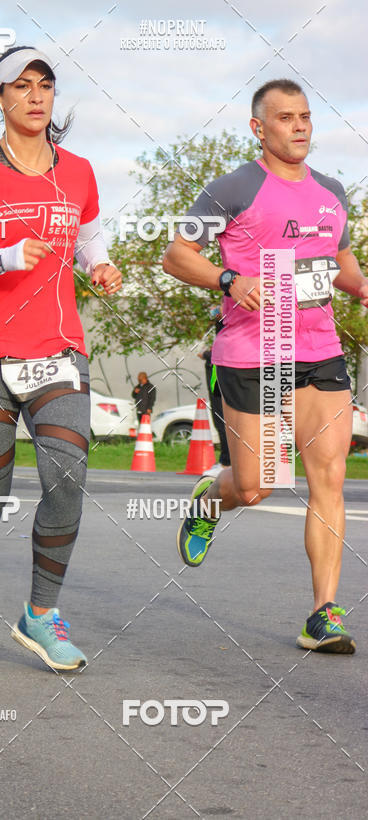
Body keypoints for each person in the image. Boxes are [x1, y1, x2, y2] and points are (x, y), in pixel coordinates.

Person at [0, 46, 122, 669]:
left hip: (57, 350)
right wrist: (5, 256)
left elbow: (86, 233)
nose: (36, 96)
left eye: (45, 86)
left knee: (67, 480)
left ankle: (40, 614)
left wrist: (100, 264)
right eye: (21, 86)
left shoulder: (81, 170)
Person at [163, 78, 368, 654]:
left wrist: (361, 287)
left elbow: (342, 265)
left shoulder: (331, 193)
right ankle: (211, 498)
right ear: (259, 127)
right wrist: (230, 278)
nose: (299, 126)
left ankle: (322, 613)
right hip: (254, 353)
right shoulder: (233, 189)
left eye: (305, 116)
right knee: (255, 486)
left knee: (328, 478)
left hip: (320, 350)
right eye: (285, 118)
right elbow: (177, 255)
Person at [198, 306, 231, 473]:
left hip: (220, 381)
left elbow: (215, 313)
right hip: (222, 379)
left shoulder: (228, 328)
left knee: (222, 421)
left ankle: (227, 462)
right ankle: (230, 461)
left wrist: (205, 355)